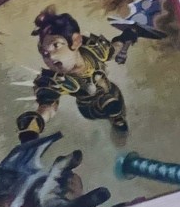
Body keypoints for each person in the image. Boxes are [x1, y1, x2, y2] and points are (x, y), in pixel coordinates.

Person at [16, 8, 131, 142]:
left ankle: (118, 122)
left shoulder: (94, 50)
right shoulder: (55, 80)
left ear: (76, 41)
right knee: (110, 103)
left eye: (56, 45)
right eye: (45, 53)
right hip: (90, 107)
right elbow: (48, 106)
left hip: (114, 94)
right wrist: (35, 124)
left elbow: (114, 48)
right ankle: (117, 123)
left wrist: (127, 36)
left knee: (114, 105)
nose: (51, 57)